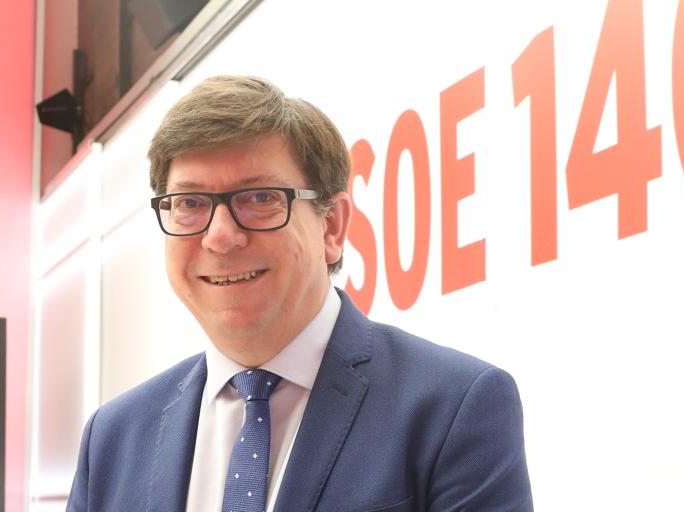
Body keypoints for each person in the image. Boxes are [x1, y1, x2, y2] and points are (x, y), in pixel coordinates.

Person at [66, 75, 533, 511]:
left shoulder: (454, 406)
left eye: (260, 198)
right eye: (189, 203)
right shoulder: (112, 438)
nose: (220, 236)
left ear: (331, 226)